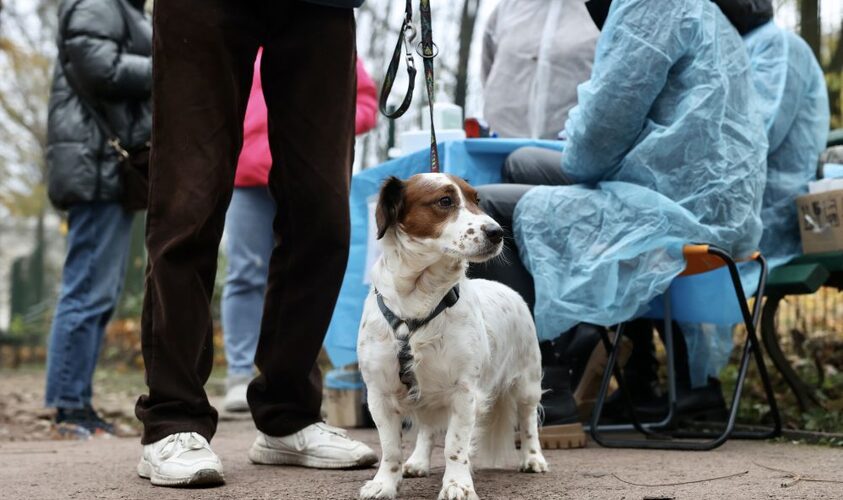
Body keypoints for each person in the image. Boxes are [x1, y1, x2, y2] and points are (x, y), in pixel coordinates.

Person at [469, 0, 767, 441]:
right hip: (719, 208)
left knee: (489, 210)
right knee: (524, 164)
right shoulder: (704, 9)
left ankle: (547, 381)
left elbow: (592, 148)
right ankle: (583, 334)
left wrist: (582, 136)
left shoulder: (649, 5)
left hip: (676, 210)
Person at [134, 0, 376, 488]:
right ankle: (172, 418)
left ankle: (288, 415)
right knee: (188, 206)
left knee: (323, 213)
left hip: (322, 6)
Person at [676, 0, 830, 397]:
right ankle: (678, 383)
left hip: (772, 217)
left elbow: (755, 132)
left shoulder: (779, 47)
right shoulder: (728, 50)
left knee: (671, 243)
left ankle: (695, 386)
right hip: (734, 205)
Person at [221, 49, 378, 412]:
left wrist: (324, 128)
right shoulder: (241, 35)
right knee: (245, 272)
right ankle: (240, 374)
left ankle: (289, 377)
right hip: (247, 174)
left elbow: (366, 103)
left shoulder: (317, 33)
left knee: (305, 272)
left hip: (307, 170)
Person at [44, 0, 151, 437]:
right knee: (87, 289)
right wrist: (167, 63)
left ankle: (78, 403)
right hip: (95, 166)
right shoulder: (96, 4)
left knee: (97, 292)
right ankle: (69, 408)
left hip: (104, 168)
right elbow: (100, 69)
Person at [481, 0, 599, 140]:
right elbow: (487, 71)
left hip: (571, 151)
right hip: (498, 148)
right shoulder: (506, 9)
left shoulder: (604, 8)